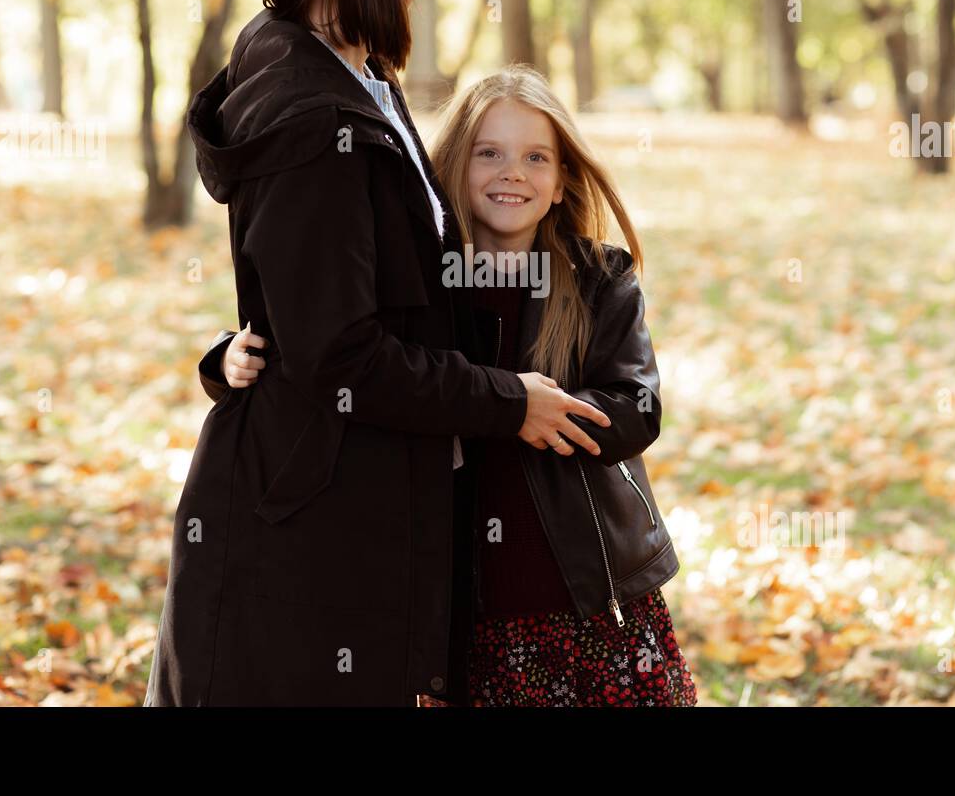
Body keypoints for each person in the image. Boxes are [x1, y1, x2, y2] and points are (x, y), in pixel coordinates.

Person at [143, 0, 609, 707]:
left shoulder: (352, 75)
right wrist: (510, 400)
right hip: (310, 508)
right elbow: (341, 354)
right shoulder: (313, 119)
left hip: (357, 481)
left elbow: (327, 291)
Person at [209, 64, 698, 707]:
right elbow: (341, 357)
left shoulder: (598, 278)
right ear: (452, 168)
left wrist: (547, 411)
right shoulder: (421, 289)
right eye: (488, 153)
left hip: (583, 597)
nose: (512, 173)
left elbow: (637, 408)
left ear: (560, 183)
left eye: (535, 157)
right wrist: (226, 358)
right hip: (465, 607)